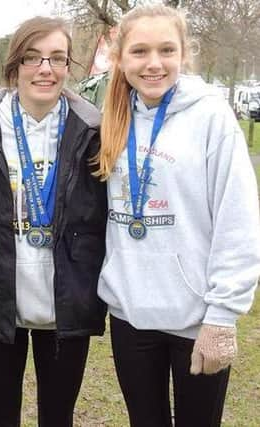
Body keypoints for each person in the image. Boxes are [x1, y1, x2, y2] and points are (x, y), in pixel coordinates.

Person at [95, 5, 260, 427]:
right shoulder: (112, 115)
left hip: (196, 318)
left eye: (167, 49)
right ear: (120, 58)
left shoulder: (211, 116)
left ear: (185, 54)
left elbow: (238, 219)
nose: (154, 63)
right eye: (140, 51)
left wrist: (223, 315)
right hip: (131, 316)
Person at [0, 16, 107, 427]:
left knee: (58, 417)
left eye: (57, 58)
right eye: (33, 58)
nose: (45, 69)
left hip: (66, 298)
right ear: (14, 67)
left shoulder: (93, 131)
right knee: (0, 416)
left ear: (68, 67)